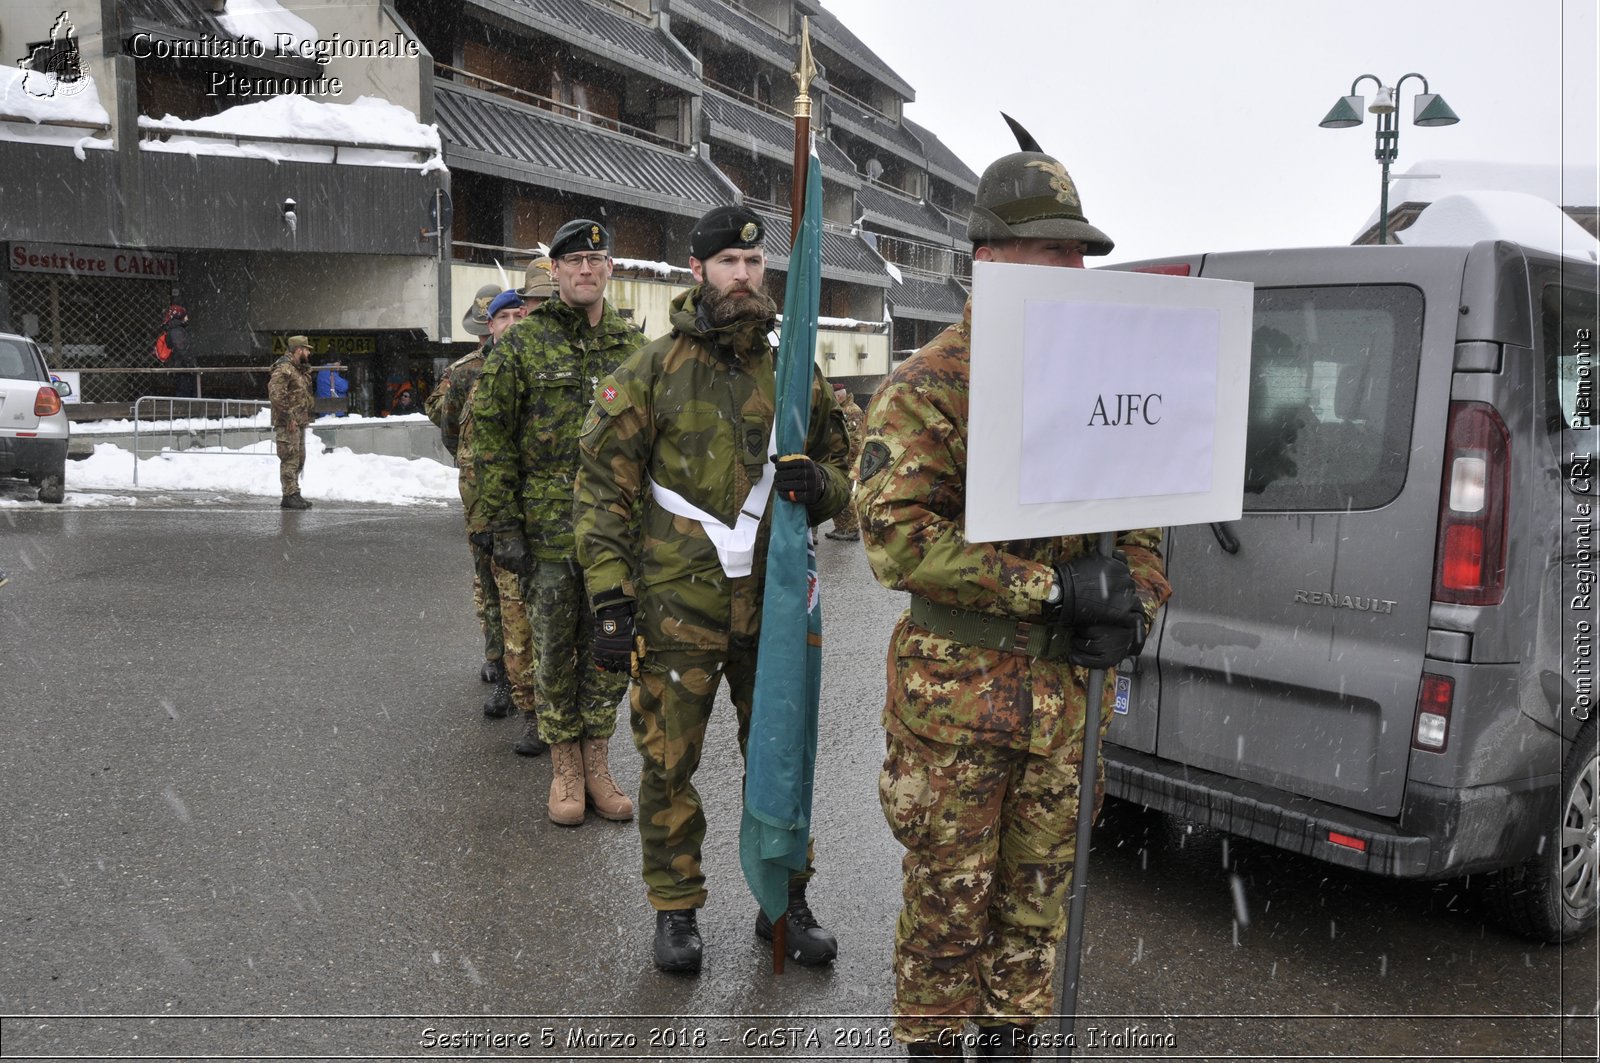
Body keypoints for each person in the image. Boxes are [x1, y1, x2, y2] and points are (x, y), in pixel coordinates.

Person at [856, 147, 1172, 1058]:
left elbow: (1148, 518)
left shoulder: (1100, 381)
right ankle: (931, 1044)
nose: (1076, 272)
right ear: (990, 260)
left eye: (1082, 255)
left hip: (1065, 705)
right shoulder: (927, 387)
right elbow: (896, 537)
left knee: (1038, 901)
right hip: (960, 705)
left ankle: (1011, 1041)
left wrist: (1135, 599)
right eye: (1052, 254)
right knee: (950, 904)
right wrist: (1049, 586)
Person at [573, 205, 853, 975]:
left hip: (772, 607)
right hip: (677, 603)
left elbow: (850, 470)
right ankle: (676, 909)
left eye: (754, 264)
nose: (743, 275)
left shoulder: (794, 372)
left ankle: (785, 901)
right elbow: (601, 490)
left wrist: (822, 481)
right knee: (669, 763)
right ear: (698, 271)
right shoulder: (653, 370)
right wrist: (609, 599)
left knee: (781, 758)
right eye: (728, 261)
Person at [474, 219, 643, 824]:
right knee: (551, 653)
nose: (585, 270)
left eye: (596, 261)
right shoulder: (524, 345)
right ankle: (565, 769)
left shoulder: (634, 349)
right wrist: (501, 526)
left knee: (608, 652)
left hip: (617, 535)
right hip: (546, 535)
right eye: (573, 261)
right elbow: (490, 438)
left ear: (609, 271)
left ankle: (598, 762)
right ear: (557, 273)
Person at [429, 287, 539, 730]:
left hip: (532, 499)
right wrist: (476, 469)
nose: (513, 324)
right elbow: (453, 431)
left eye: (520, 315)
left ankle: (534, 683)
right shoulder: (467, 373)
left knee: (531, 590)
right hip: (482, 500)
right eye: (504, 318)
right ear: (488, 325)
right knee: (493, 586)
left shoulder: (541, 363)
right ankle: (502, 668)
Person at [268, 335, 316, 510]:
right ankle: (288, 494)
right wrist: (288, 416)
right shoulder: (284, 369)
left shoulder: (298, 369)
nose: (309, 353)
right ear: (298, 350)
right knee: (289, 457)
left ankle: (294, 492)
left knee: (298, 458)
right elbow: (276, 395)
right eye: (306, 349)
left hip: (299, 421)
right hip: (288, 421)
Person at [824, 382, 865, 541]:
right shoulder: (841, 410)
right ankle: (842, 527)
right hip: (841, 458)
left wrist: (846, 461)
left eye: (834, 397)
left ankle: (853, 529)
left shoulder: (851, 411)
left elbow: (854, 441)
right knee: (839, 491)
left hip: (847, 459)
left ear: (839, 396)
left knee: (845, 493)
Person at [161, 304, 199, 399]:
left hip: (181, 367)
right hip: (183, 368)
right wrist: (192, 364)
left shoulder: (175, 330)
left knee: (184, 392)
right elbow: (182, 349)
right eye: (185, 315)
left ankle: (184, 410)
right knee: (185, 393)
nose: (187, 318)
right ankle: (184, 412)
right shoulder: (177, 331)